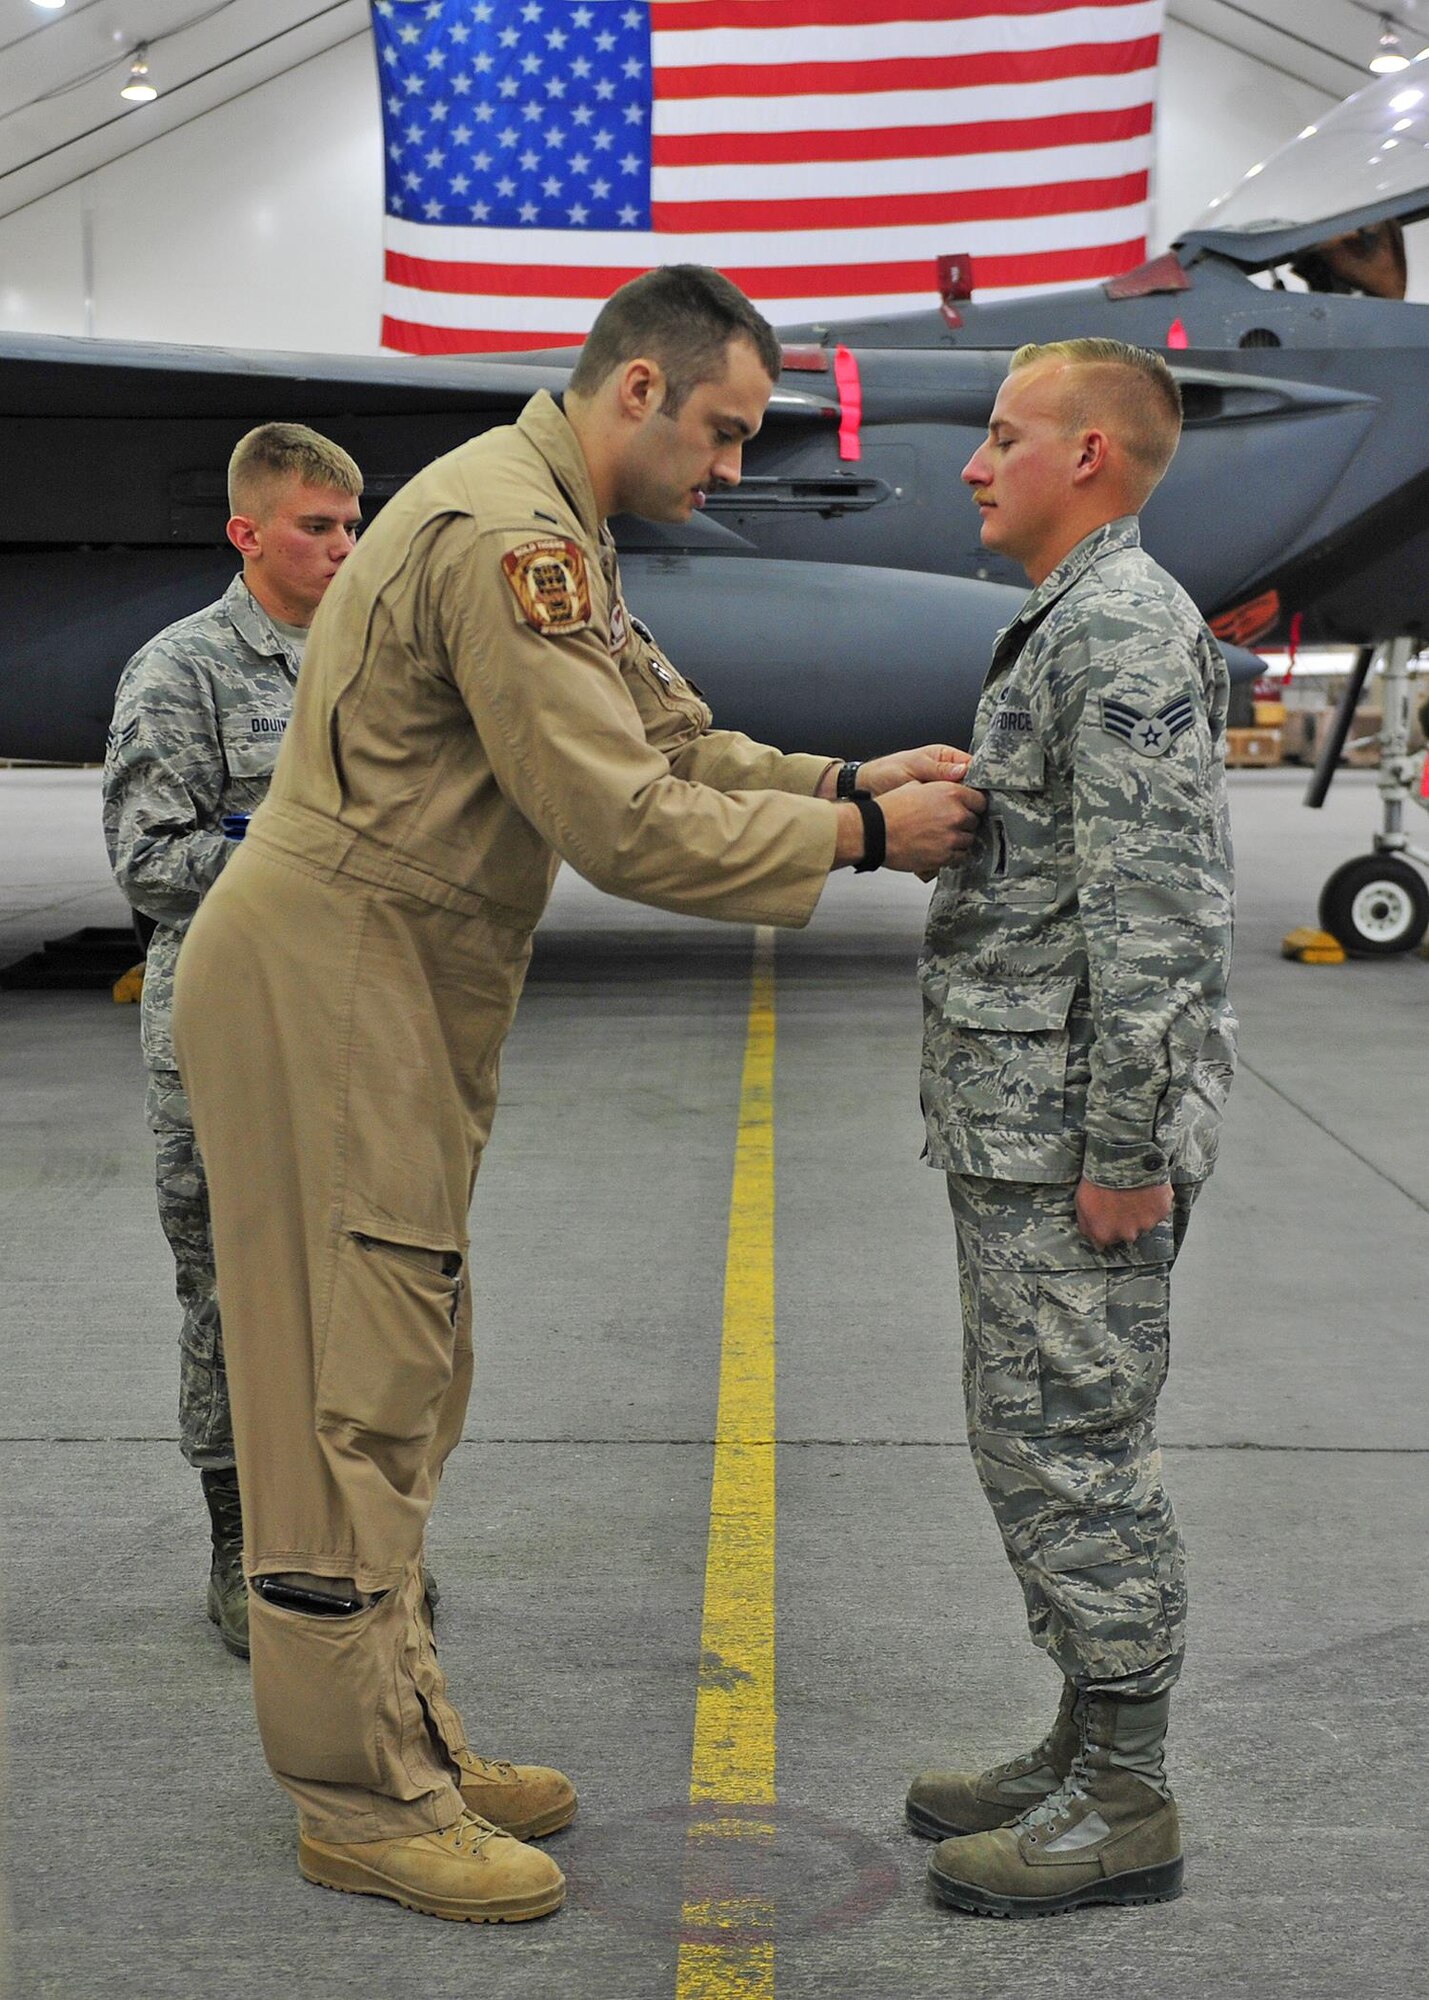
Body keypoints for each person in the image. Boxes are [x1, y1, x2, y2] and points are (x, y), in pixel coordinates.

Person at [172, 265, 986, 1925]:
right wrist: (855, 841)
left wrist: (838, 778)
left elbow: (667, 743)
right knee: (348, 1387)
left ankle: (401, 1738)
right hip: (333, 975)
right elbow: (619, 820)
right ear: (634, 392)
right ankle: (361, 1802)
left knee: (405, 1368)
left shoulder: (548, 524)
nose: (734, 468)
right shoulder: (502, 535)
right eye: (724, 430)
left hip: (386, 975)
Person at [907, 338, 1236, 1918]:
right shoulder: (1073, 621)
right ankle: (1082, 1733)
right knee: (1035, 1444)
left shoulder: (1112, 629)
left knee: (1077, 1452)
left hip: (1070, 1142)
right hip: (1020, 1120)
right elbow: (1071, 857)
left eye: (1001, 435)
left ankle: (1127, 1793)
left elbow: (1158, 914)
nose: (974, 463)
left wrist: (1125, 1151)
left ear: (1088, 455)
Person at [102, 424, 364, 1658]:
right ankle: (236, 1542)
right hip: (223, 1034)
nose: (342, 547)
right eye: (317, 527)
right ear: (247, 534)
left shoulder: (370, 659)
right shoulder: (181, 670)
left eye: (351, 525)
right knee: (228, 1291)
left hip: (359, 1028)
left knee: (362, 1285)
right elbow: (151, 864)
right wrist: (302, 847)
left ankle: (356, 1543)